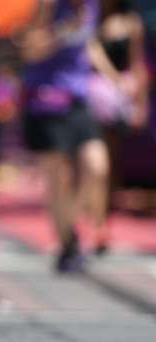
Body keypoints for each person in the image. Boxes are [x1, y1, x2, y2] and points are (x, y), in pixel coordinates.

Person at [19, 0, 108, 272]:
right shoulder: (47, 6)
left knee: (97, 165)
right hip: (45, 99)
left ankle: (70, 224)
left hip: (78, 99)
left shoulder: (91, 6)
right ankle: (68, 244)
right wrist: (61, 30)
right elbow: (30, 51)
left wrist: (113, 76)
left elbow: (89, 44)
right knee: (57, 178)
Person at [86, 0, 149, 254]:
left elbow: (137, 61)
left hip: (121, 96)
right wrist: (112, 79)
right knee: (96, 162)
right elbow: (91, 53)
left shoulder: (132, 22)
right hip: (96, 94)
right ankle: (96, 220)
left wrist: (140, 101)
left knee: (112, 161)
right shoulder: (95, 18)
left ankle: (103, 220)